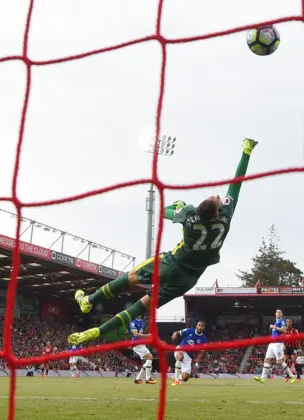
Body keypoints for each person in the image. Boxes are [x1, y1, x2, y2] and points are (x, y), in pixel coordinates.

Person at [68, 139, 258, 346]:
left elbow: (164, 212)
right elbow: (236, 183)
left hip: (172, 263)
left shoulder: (189, 215)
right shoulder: (226, 216)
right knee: (142, 306)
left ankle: (88, 301)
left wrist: (178, 205)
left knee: (130, 277)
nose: (217, 196)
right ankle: (97, 332)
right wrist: (246, 152)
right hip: (188, 279)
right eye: (215, 198)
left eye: (214, 197)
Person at [254, 309, 294, 384]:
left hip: (278, 344)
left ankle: (291, 376)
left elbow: (284, 330)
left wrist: (274, 327)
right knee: (267, 360)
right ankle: (262, 378)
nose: (278, 313)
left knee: (279, 362)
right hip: (271, 344)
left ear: (281, 314)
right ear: (275, 314)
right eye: (277, 312)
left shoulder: (282, 320)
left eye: (280, 312)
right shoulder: (276, 322)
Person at [170, 320, 207, 385]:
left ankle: (177, 377)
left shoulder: (203, 339)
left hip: (189, 356)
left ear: (204, 328)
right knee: (180, 357)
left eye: (202, 326)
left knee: (185, 378)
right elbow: (178, 332)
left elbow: (201, 351)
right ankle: (176, 380)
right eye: (199, 325)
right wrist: (175, 334)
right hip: (180, 349)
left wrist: (198, 359)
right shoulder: (189, 330)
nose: (200, 327)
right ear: (196, 326)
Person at [129, 315, 157, 384]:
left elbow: (140, 333)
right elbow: (135, 334)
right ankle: (147, 379)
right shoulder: (133, 322)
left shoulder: (141, 321)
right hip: (137, 344)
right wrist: (147, 335)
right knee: (150, 357)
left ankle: (138, 379)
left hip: (141, 343)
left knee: (149, 360)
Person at [283, 319, 302, 383]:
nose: (288, 323)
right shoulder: (284, 330)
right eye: (287, 321)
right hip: (286, 348)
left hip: (293, 347)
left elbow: (298, 339)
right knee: (285, 362)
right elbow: (282, 339)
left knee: (294, 361)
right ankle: (287, 376)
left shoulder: (295, 330)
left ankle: (298, 377)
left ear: (291, 323)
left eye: (289, 322)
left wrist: (300, 348)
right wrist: (283, 345)